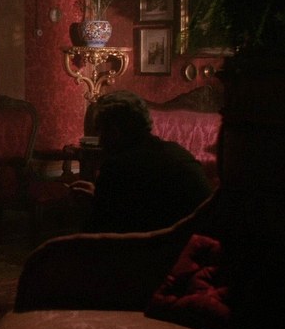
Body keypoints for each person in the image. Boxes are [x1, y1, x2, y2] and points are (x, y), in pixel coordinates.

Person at [71, 90, 212, 233]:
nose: (100, 141)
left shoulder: (117, 167)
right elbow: (145, 207)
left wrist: (96, 202)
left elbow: (100, 230)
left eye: (100, 131)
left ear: (114, 132)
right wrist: (100, 197)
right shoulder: (178, 152)